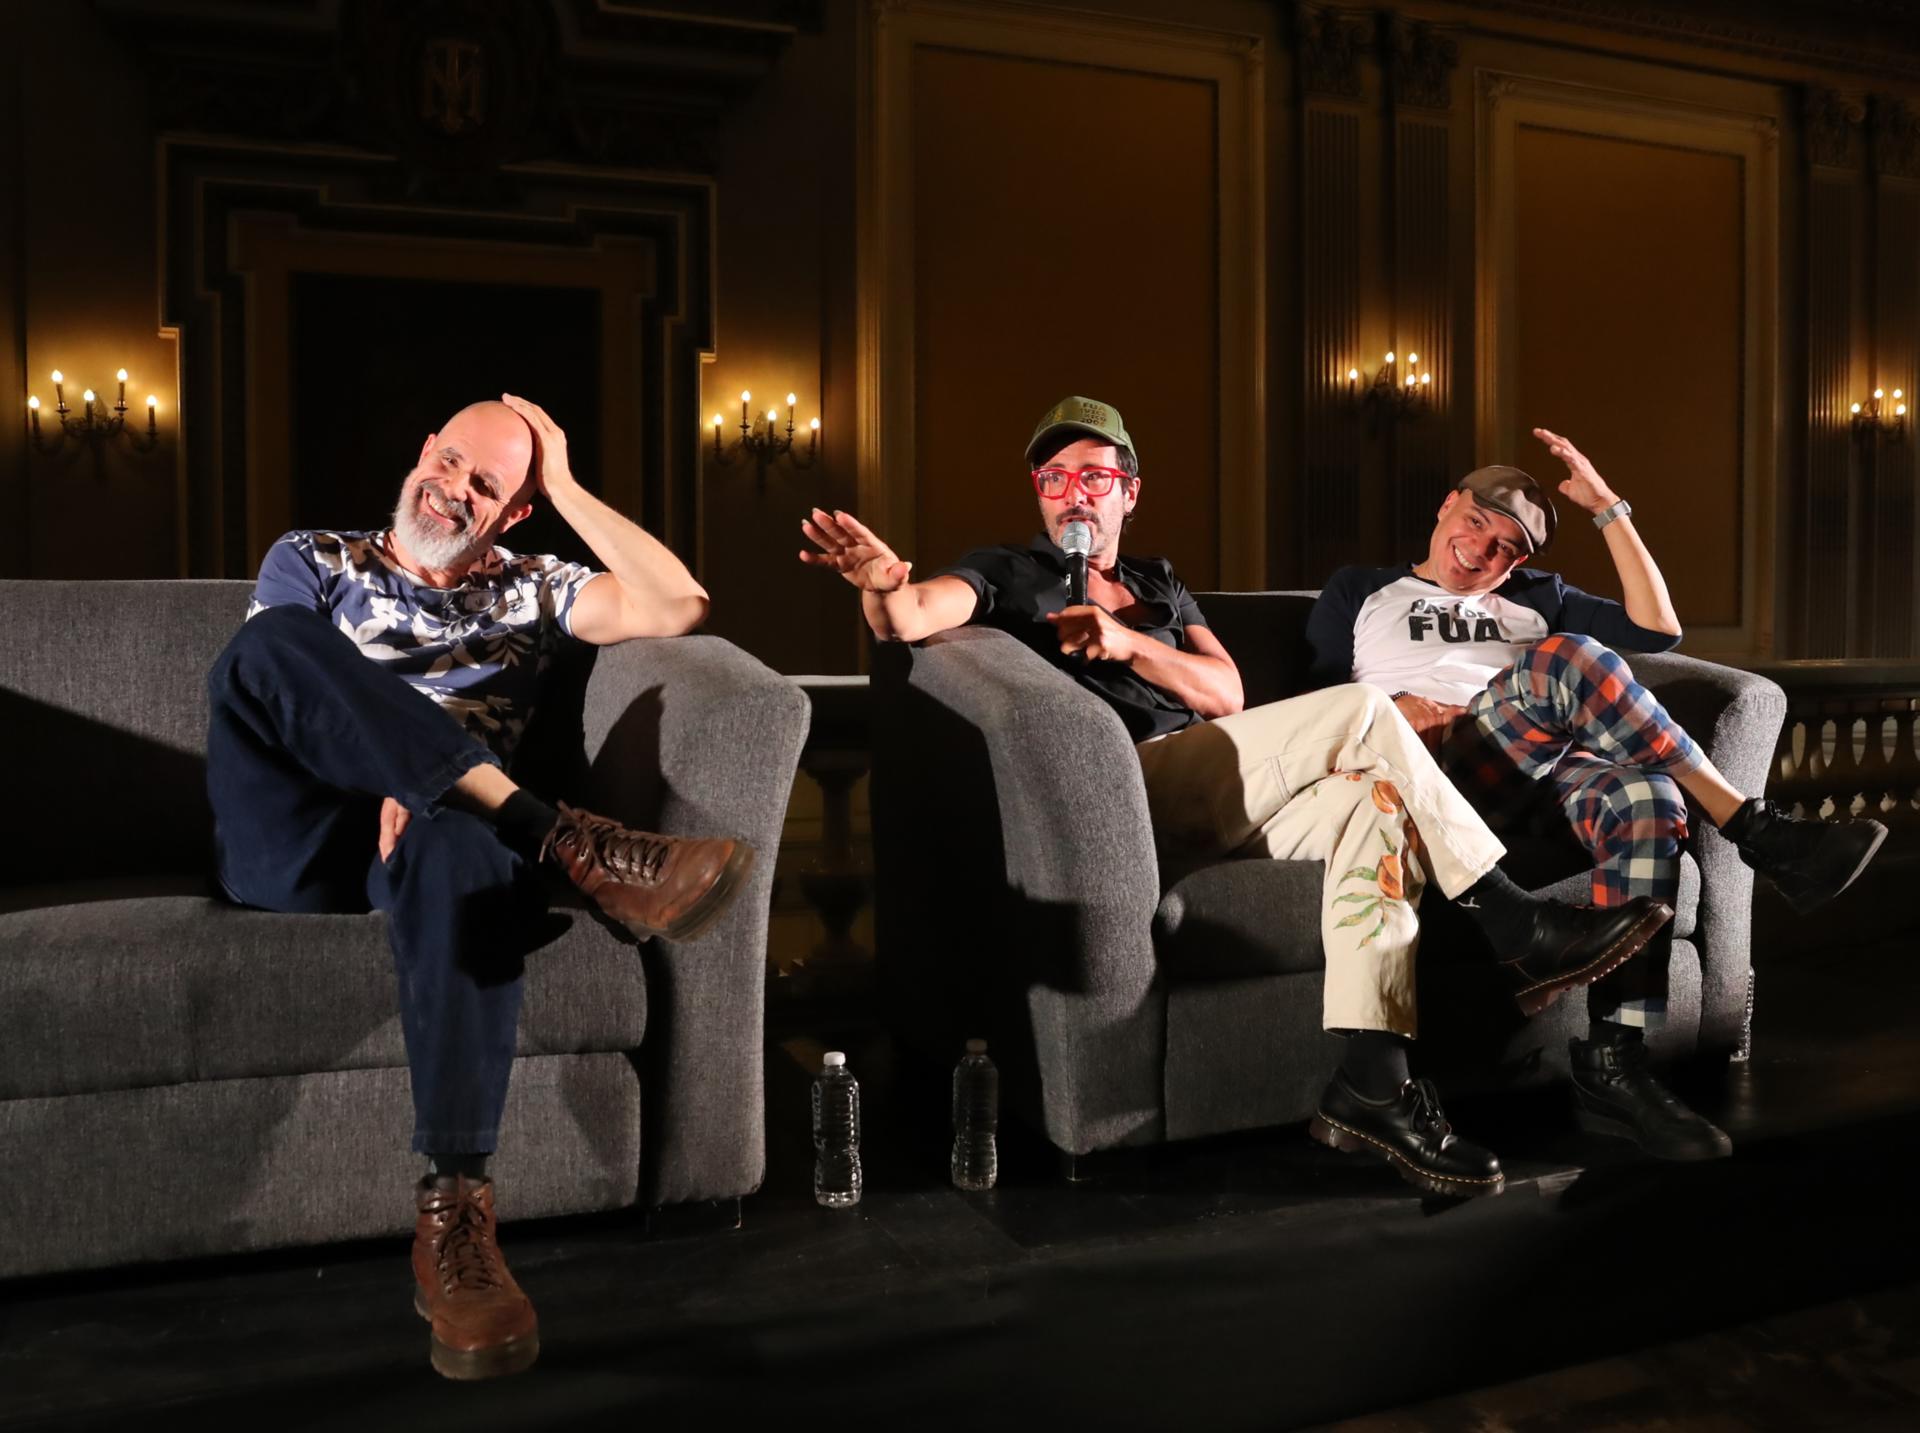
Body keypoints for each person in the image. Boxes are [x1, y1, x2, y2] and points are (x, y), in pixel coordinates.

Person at [800, 395, 1672, 1200]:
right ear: (1040, 493)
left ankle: (1372, 1084)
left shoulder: (1160, 585)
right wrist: (883, 590)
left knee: (1377, 805)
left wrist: (1131, 642)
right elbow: (914, 616)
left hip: (1216, 775)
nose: (1075, 493)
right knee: (1368, 711)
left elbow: (1225, 693)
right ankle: (1514, 919)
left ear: (1128, 493)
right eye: (1056, 477)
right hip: (1129, 788)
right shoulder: (1010, 572)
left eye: (1095, 477)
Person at [207, 396, 754, 1380]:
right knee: (262, 647)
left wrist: (570, 482)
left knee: (459, 850)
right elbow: (284, 694)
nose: (452, 488)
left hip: (432, 846)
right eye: (450, 461)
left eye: (487, 485)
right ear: (424, 449)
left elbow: (680, 605)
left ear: (516, 512)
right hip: (295, 830)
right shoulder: (315, 556)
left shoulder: (536, 586)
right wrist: (393, 774)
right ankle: (560, 837)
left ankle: (455, 1221)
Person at [1306, 428, 1886, 1161]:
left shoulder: (1536, 598)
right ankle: (1755, 826)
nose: (1483, 552)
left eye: (1508, 549)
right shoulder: (1360, 589)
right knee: (1568, 657)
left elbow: (1659, 628)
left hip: (1544, 767)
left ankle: (1615, 1064)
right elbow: (1319, 706)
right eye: (1477, 523)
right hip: (1431, 769)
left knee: (1647, 798)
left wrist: (1610, 507)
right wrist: (1394, 708)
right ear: (1448, 505)